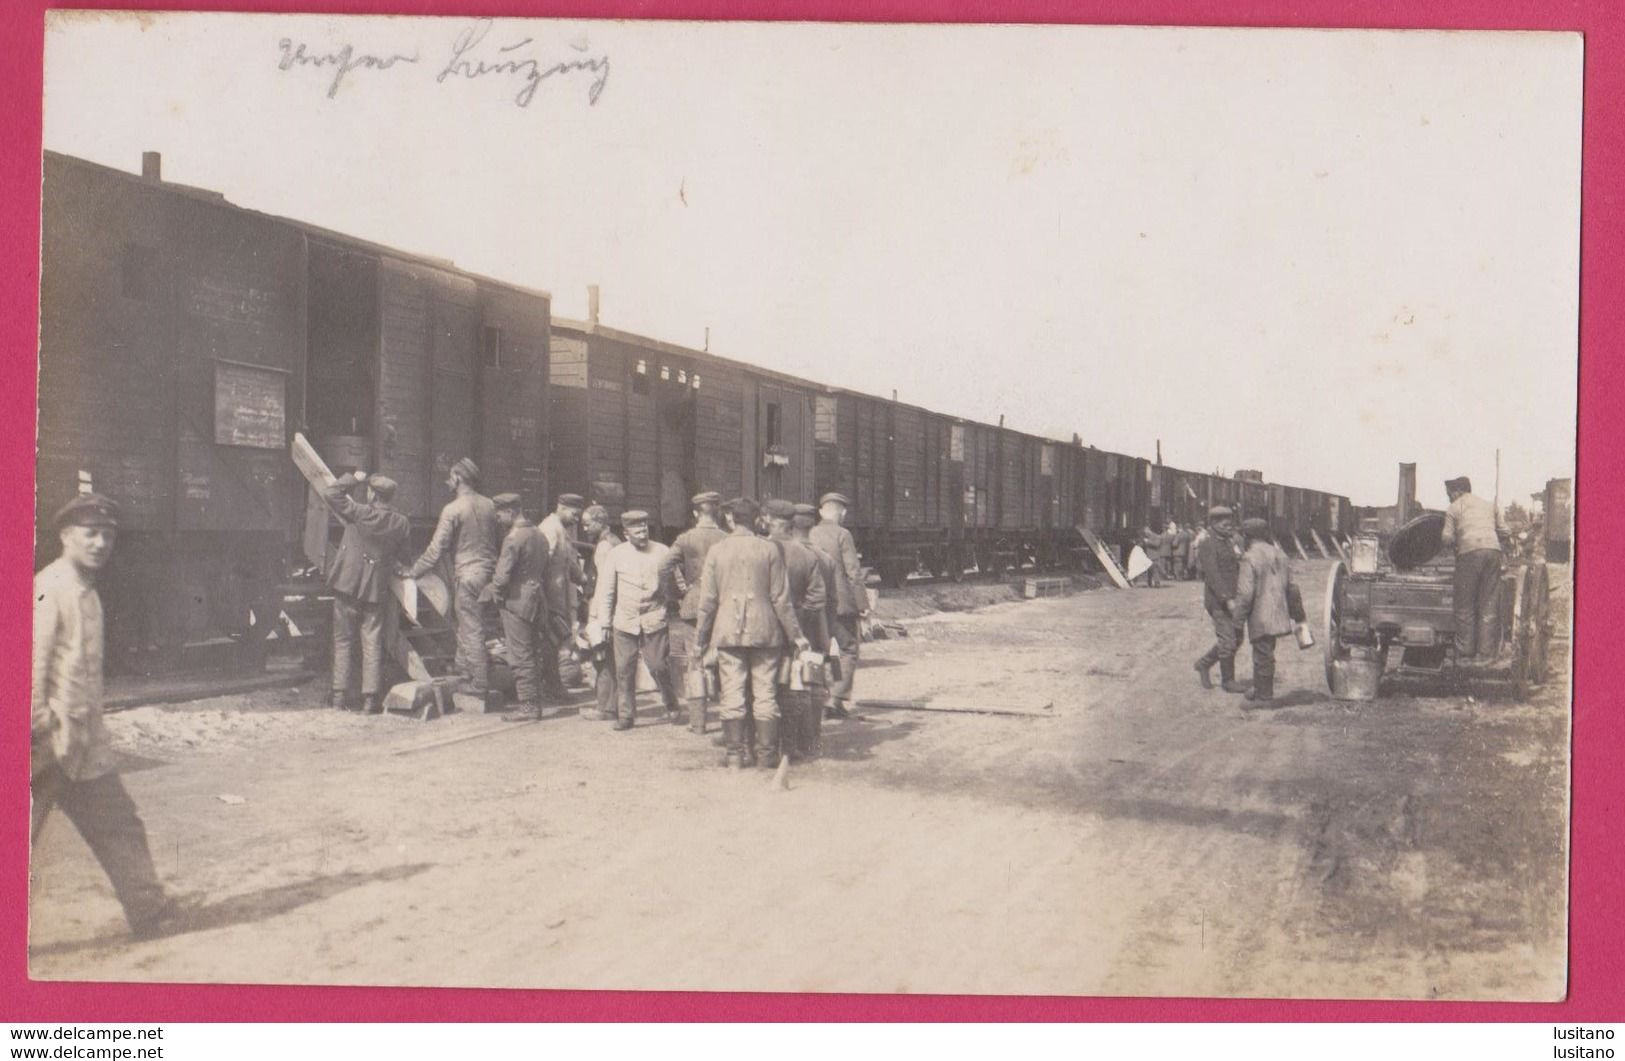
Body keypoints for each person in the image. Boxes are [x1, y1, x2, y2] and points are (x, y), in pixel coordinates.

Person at [33, 494, 185, 940]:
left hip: (82, 743)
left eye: (108, 535)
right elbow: (28, 664)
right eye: (90, 534)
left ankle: (150, 911)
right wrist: (36, 727)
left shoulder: (88, 593)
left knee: (119, 822)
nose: (100, 543)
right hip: (44, 745)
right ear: (66, 537)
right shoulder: (49, 589)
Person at [696, 497, 810, 769]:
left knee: (732, 693)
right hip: (765, 632)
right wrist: (797, 636)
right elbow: (781, 600)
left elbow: (707, 602)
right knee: (765, 693)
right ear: (758, 520)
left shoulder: (717, 550)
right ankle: (766, 756)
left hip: (727, 632)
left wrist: (700, 640)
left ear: (730, 519)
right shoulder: (770, 550)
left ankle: (735, 755)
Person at [404, 458, 498, 698]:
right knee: (477, 625)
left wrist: (413, 572)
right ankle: (466, 672)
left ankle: (479, 684)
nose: (448, 480)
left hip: (467, 574)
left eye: (450, 476)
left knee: (471, 628)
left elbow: (436, 550)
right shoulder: (490, 505)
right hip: (489, 575)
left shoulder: (453, 509)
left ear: (458, 478)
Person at [323, 471, 411, 714]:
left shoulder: (360, 512)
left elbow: (330, 493)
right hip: (375, 589)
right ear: (391, 496)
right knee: (371, 642)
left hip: (347, 585)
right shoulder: (401, 522)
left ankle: (339, 698)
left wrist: (354, 478)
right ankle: (369, 701)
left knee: (342, 641)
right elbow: (403, 557)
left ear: (372, 493)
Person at [589, 510, 680, 730]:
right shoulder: (616, 554)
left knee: (658, 665)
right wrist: (604, 624)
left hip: (654, 617)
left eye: (645, 528)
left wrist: (674, 602)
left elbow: (678, 582)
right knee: (624, 668)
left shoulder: (662, 551)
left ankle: (671, 703)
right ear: (626, 532)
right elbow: (607, 591)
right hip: (624, 620)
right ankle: (626, 715)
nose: (642, 533)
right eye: (636, 529)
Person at [765, 499, 828, 762]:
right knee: (793, 687)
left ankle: (763, 744)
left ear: (769, 520)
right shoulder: (807, 555)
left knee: (761, 686)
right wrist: (797, 620)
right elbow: (817, 598)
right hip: (796, 631)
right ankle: (791, 747)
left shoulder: (760, 549)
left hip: (764, 630)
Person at [660, 490, 728, 733]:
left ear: (695, 513)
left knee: (695, 661)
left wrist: (677, 594)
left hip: (694, 602)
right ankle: (729, 719)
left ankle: (698, 723)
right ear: (717, 511)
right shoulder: (726, 538)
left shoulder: (686, 538)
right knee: (724, 660)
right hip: (722, 604)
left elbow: (664, 567)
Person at [489, 494, 550, 722]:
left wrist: (496, 596)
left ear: (510, 512)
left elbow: (502, 576)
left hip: (517, 600)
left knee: (519, 654)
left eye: (499, 514)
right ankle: (535, 702)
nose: (498, 519)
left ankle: (528, 706)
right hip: (536, 598)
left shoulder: (513, 538)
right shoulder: (539, 534)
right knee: (533, 651)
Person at [808, 492, 868, 719]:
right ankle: (836, 699)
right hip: (841, 604)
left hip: (815, 602)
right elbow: (853, 572)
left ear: (822, 511)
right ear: (842, 513)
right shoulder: (843, 534)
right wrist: (862, 604)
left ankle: (817, 699)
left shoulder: (811, 533)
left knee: (817, 650)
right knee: (848, 649)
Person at [1440, 476, 1508, 664]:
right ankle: (1485, 654)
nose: (1449, 498)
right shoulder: (1488, 505)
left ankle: (1465, 653)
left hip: (1469, 554)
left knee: (1464, 604)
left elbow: (1446, 538)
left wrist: (1454, 542)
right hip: (1493, 552)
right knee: (1488, 603)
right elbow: (1504, 531)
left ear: (1457, 492)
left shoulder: (1454, 508)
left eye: (1449, 494)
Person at [1232, 517, 1298, 704]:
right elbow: (1292, 587)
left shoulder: (1249, 557)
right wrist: (1296, 613)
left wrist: (1237, 620)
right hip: (1278, 611)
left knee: (1262, 655)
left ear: (1248, 536)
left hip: (1260, 614)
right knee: (1266, 650)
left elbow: (1245, 593)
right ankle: (1260, 689)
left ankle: (1265, 698)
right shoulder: (1280, 554)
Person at [793, 501, 839, 758]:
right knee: (814, 684)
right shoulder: (826, 559)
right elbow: (832, 602)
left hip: (789, 630)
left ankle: (789, 742)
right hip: (817, 628)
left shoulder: (782, 552)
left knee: (788, 683)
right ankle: (811, 743)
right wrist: (827, 633)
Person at [537, 493, 587, 704]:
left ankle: (554, 687)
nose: (576, 519)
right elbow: (540, 563)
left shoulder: (562, 530)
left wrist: (582, 578)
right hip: (550, 598)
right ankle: (553, 689)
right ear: (562, 507)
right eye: (574, 514)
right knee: (550, 643)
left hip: (561, 599)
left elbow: (568, 560)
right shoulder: (549, 528)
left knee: (556, 643)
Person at [1192, 506, 1246, 693]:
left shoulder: (1229, 542)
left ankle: (1203, 664)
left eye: (1230, 522)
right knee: (1228, 641)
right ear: (1214, 523)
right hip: (1218, 601)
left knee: (1237, 639)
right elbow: (1213, 575)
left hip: (1234, 598)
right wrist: (1226, 599)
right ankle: (1228, 681)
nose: (1228, 525)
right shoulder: (1208, 544)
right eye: (1224, 523)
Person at [579, 504, 621, 722]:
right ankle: (611, 706)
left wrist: (595, 615)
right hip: (612, 608)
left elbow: (605, 584)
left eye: (588, 524)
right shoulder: (614, 541)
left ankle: (604, 708)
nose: (585, 528)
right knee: (610, 657)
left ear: (600, 522)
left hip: (603, 607)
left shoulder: (605, 547)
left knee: (601, 656)